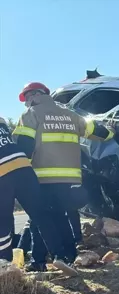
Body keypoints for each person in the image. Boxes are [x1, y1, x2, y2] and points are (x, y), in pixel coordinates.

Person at [13, 82, 113, 272]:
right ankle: (68, 256)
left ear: (34, 95)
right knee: (60, 216)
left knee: (38, 220)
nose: (26, 104)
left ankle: (38, 262)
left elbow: (23, 148)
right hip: (69, 179)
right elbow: (102, 133)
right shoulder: (71, 116)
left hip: (42, 178)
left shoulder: (31, 115)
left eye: (26, 99)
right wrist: (112, 129)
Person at [0, 116, 77, 276]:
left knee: (4, 220)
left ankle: (5, 265)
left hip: (2, 173)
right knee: (41, 215)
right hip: (23, 166)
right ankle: (59, 256)